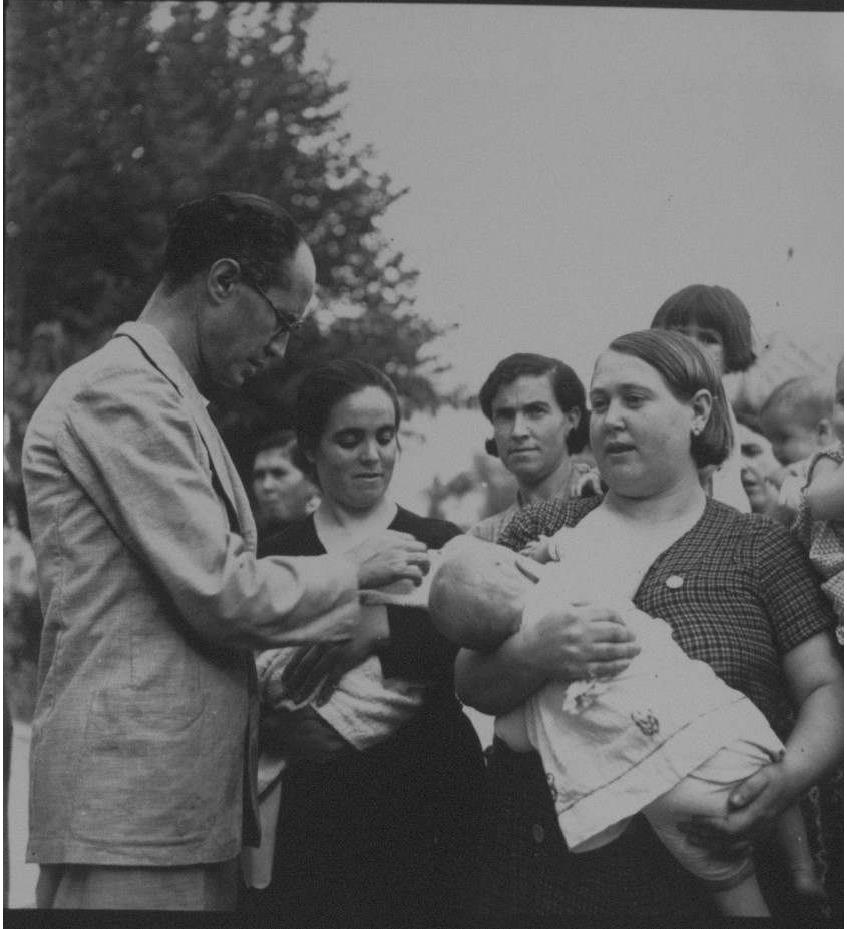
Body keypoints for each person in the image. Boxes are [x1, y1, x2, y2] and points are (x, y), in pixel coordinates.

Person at [21, 192, 430, 911]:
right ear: (222, 282)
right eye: (282, 321)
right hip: (134, 817)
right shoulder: (123, 393)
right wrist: (353, 570)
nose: (281, 349)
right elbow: (218, 589)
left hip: (170, 811)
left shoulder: (167, 399)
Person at [454, 329, 842, 922]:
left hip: (722, 864)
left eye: (635, 400)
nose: (611, 419)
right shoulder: (542, 531)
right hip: (561, 887)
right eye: (602, 401)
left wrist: (787, 780)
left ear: (699, 412)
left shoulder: (757, 545)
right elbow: (471, 684)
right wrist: (539, 650)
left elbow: (826, 689)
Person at [430, 529, 823, 916]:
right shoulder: (556, 566)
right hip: (721, 734)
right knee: (767, 752)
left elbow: (513, 737)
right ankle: (803, 869)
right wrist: (553, 550)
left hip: (664, 796)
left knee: (728, 880)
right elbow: (469, 684)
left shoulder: (761, 542)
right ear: (515, 565)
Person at [242, 359, 484, 926]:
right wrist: (270, 727)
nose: (372, 455)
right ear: (310, 450)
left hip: (429, 799)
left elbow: (478, 652)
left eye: (384, 436)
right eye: (349, 440)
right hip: (318, 811)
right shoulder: (280, 556)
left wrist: (386, 632)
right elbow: (242, 665)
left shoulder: (437, 542)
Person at [469, 352, 598, 542]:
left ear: (572, 419)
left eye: (536, 411)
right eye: (505, 416)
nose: (517, 431)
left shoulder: (609, 499)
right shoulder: (484, 539)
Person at [651, 283, 757, 511]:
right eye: (679, 335)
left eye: (709, 339)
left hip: (718, 514)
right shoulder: (658, 401)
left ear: (730, 354)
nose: (692, 346)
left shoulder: (715, 407)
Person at [251, 429, 319, 536]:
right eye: (259, 475)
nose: (266, 486)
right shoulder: (251, 544)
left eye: (278, 473)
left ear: (312, 481)